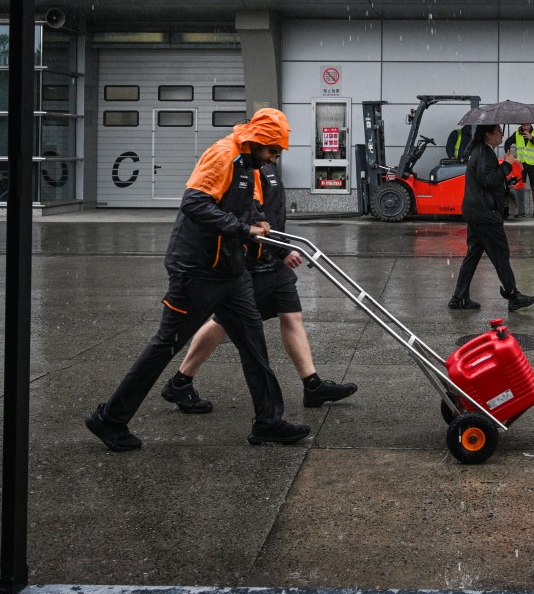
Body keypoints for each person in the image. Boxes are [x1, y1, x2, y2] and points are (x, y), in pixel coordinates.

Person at [85, 109, 309, 451]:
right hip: (196, 271)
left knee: (253, 345)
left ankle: (268, 422)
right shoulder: (224, 155)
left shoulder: (249, 166)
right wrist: (242, 229)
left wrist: (259, 222)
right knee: (165, 345)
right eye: (273, 150)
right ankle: (110, 419)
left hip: (230, 272)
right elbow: (195, 203)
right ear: (257, 142)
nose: (275, 157)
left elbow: (244, 206)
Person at [161, 119, 358, 413]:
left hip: (273, 259)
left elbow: (266, 216)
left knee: (291, 316)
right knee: (225, 323)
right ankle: (181, 380)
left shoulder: (267, 166)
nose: (276, 156)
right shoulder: (246, 167)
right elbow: (245, 218)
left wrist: (279, 249)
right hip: (253, 262)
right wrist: (277, 252)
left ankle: (312, 384)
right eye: (274, 150)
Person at [448, 123, 534, 312]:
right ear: (488, 134)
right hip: (485, 213)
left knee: (472, 256)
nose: (502, 135)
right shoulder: (483, 153)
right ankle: (513, 295)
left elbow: (488, 181)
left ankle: (459, 298)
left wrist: (506, 183)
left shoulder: (483, 151)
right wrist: (507, 164)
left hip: (477, 211)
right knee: (501, 254)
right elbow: (487, 179)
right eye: (499, 131)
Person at [505, 123, 534, 218]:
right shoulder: (517, 134)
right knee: (518, 187)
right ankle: (519, 210)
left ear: (530, 125)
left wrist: (532, 138)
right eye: (524, 125)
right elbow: (507, 142)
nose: (526, 127)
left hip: (532, 165)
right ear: (521, 125)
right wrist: (508, 152)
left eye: (527, 125)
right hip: (520, 165)